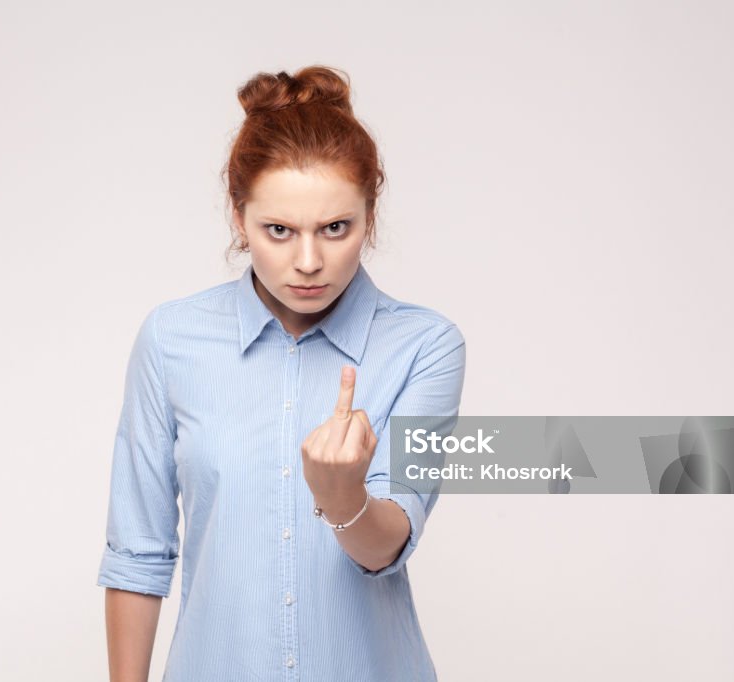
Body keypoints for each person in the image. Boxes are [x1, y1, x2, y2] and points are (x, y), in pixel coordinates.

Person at [97, 65, 467, 682]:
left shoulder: (425, 345)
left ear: (368, 219)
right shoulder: (171, 339)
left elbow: (388, 549)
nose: (308, 262)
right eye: (278, 230)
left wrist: (343, 495)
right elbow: (137, 553)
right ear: (239, 218)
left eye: (335, 229)